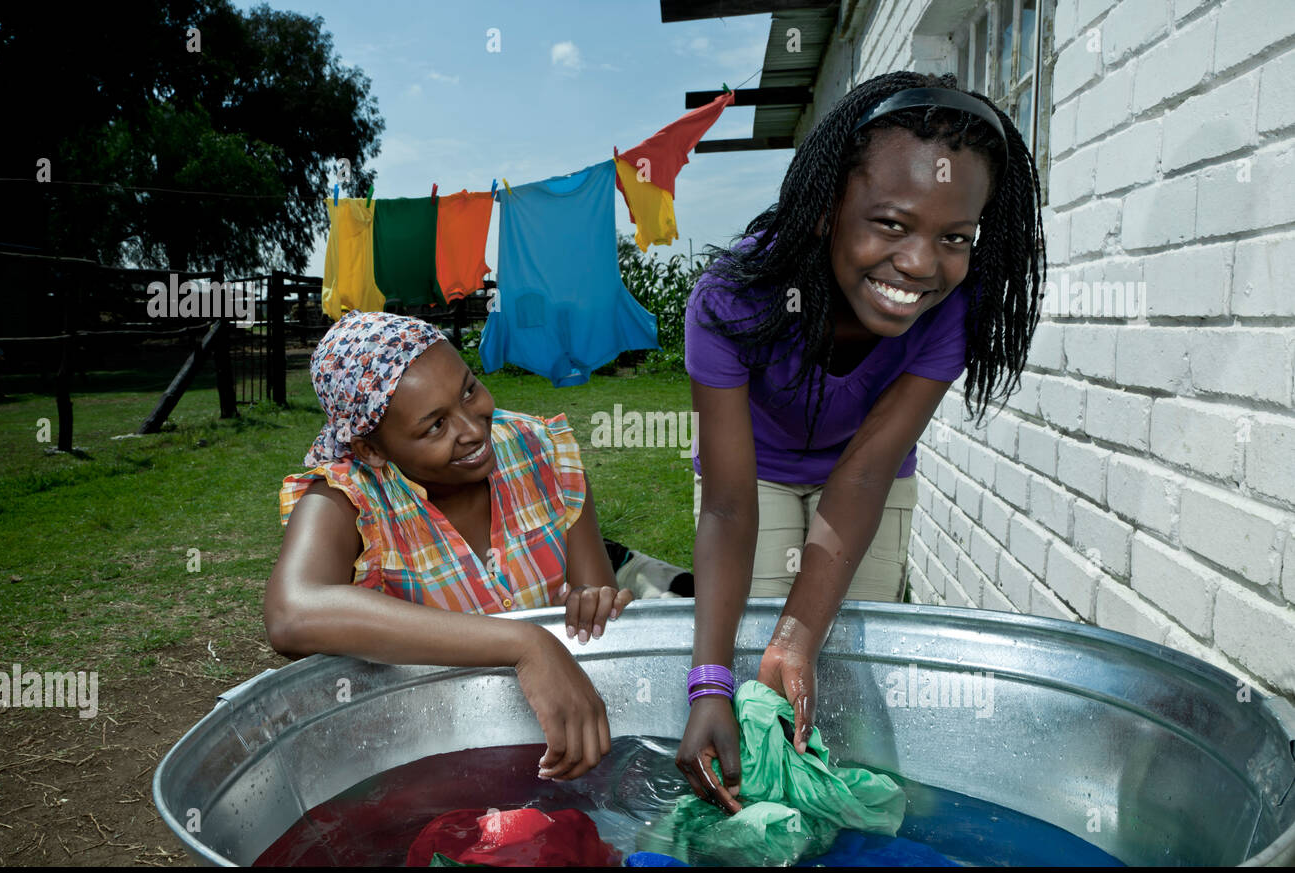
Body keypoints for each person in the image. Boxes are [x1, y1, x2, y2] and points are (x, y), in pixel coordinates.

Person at [677, 72, 1045, 811]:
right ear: (824, 210)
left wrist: (802, 635)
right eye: (890, 224)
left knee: (836, 666)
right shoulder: (732, 300)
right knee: (753, 670)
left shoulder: (950, 312)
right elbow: (726, 508)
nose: (919, 265)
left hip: (867, 481)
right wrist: (708, 682)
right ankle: (755, 821)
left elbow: (868, 472)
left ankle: (841, 827)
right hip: (758, 478)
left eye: (955, 238)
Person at [264, 311, 633, 781]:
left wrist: (595, 603)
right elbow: (292, 613)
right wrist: (525, 644)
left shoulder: (538, 450)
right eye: (435, 426)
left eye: (468, 390)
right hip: (434, 763)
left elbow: (597, 609)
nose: (474, 430)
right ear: (372, 449)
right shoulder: (350, 500)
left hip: (563, 748)